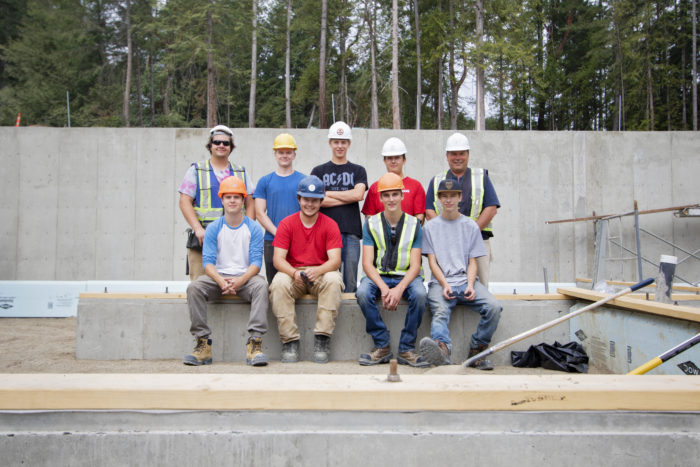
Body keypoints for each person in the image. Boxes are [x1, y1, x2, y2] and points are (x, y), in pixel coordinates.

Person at [183, 176, 269, 367]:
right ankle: (203, 344)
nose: (232, 201)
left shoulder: (253, 228)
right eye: (228, 197)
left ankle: (255, 344)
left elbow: (255, 263)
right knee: (194, 288)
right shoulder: (214, 228)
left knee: (261, 286)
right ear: (222, 200)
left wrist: (240, 281)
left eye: (236, 197)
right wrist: (221, 281)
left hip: (246, 279)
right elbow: (208, 263)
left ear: (243, 201)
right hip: (218, 278)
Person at [419, 179, 503, 370]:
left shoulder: (471, 226)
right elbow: (432, 262)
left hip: (466, 280)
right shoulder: (429, 228)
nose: (448, 200)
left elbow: (472, 261)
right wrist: (445, 284)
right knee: (439, 311)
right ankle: (442, 350)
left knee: (494, 307)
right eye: (444, 196)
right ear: (439, 199)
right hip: (441, 283)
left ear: (460, 197)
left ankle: (477, 351)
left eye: (453, 196)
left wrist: (471, 285)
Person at [269, 175, 345, 364]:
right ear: (299, 199)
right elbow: (278, 260)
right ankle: (290, 342)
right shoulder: (287, 223)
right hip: (294, 273)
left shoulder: (330, 225)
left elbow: (335, 261)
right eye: (306, 199)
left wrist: (318, 271)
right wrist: (294, 273)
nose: (309, 204)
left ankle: (322, 339)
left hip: (320, 273)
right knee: (278, 283)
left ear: (321, 201)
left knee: (334, 280)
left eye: (314, 200)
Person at [356, 173, 429, 368]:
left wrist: (398, 289)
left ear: (402, 196)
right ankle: (382, 345)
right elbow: (367, 264)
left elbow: (415, 266)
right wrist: (383, 287)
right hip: (379, 275)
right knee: (362, 292)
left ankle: (406, 348)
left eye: (395, 194)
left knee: (420, 294)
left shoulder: (415, 224)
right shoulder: (370, 224)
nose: (391, 199)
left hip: (406, 276)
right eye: (386, 195)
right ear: (380, 198)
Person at [178, 125, 255, 281]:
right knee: (200, 286)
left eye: (226, 143)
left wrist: (249, 229)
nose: (221, 145)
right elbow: (184, 201)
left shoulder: (241, 172)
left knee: (235, 288)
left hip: (235, 241)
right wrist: (197, 228)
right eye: (217, 142)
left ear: (231, 148)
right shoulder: (197, 170)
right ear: (210, 146)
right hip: (204, 239)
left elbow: (250, 203)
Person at [424, 133, 499, 287]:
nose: (457, 157)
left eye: (461, 153)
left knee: (480, 287)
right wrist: (450, 234)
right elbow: (429, 211)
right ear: (447, 156)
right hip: (445, 244)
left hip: (478, 240)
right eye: (453, 154)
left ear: (468, 155)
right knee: (446, 288)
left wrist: (470, 233)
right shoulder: (438, 180)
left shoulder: (481, 177)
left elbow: (491, 208)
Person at [311, 121, 367, 293]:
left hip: (351, 232)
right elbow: (316, 201)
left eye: (343, 142)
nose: (340, 145)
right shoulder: (318, 171)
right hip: (324, 232)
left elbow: (358, 195)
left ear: (349, 144)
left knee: (350, 280)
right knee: (328, 279)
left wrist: (328, 194)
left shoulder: (358, 170)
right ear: (330, 143)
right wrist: (347, 196)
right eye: (336, 141)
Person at [253, 133, 306, 284]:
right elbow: (259, 213)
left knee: (299, 283)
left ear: (294, 155)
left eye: (288, 152)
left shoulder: (303, 181)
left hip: (299, 239)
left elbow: (310, 210)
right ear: (275, 154)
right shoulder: (264, 181)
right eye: (281, 152)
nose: (285, 156)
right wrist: (280, 234)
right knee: (274, 284)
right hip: (272, 240)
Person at [361, 137, 426, 223]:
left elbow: (420, 216)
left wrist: (408, 231)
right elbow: (369, 217)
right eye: (389, 158)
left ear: (404, 160)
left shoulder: (416, 186)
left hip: (408, 235)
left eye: (397, 158)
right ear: (384, 161)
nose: (393, 161)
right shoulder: (375, 187)